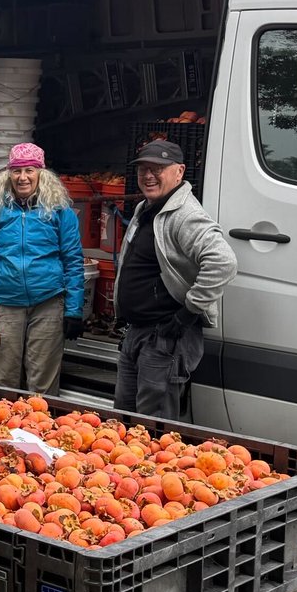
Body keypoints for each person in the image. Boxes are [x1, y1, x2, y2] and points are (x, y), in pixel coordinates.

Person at [113, 139, 237, 419]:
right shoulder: (146, 208)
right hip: (138, 333)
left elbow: (224, 262)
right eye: (143, 169)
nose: (148, 175)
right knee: (122, 421)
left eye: (158, 168)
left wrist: (187, 313)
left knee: (154, 428)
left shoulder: (185, 215)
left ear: (179, 172)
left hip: (165, 338)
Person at [0, 142, 85, 395]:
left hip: (48, 304)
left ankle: (39, 430)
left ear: (41, 173)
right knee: (5, 381)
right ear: (8, 174)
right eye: (17, 171)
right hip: (5, 304)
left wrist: (74, 309)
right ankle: (5, 433)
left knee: (42, 385)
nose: (23, 177)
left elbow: (73, 261)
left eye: (30, 170)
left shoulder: (61, 212)